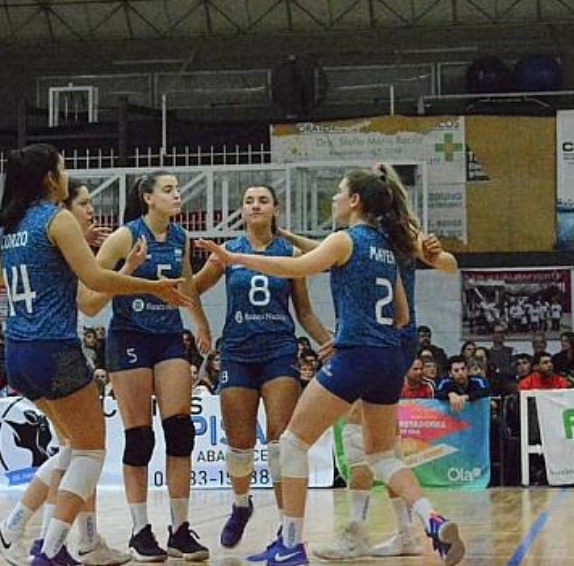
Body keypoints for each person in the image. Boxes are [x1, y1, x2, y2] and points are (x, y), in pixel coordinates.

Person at [197, 168, 465, 566]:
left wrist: (234, 257)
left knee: (292, 443)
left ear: (355, 201)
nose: (335, 199)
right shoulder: (387, 246)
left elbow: (295, 269)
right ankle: (431, 519)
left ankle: (290, 545)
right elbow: (403, 315)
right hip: (389, 356)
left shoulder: (345, 239)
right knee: (383, 456)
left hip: (357, 354)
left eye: (340, 192)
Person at [0, 144, 191, 566]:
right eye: (62, 169)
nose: (66, 175)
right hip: (54, 349)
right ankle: (49, 549)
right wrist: (153, 286)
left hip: (17, 351)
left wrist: (66, 253)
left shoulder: (8, 225)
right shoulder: (55, 218)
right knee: (91, 451)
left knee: (69, 448)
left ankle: (12, 530)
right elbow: (94, 280)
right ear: (49, 178)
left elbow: (6, 276)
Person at [279, 164, 459, 562]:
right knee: (383, 446)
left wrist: (435, 253)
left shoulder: (399, 232)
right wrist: (288, 237)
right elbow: (328, 251)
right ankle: (407, 530)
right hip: (386, 336)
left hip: (383, 338)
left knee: (359, 439)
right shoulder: (374, 235)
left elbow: (448, 265)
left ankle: (356, 531)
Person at [79, 170, 212, 562]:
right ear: (148, 198)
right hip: (129, 338)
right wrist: (128, 269)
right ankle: (140, 531)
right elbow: (91, 288)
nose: (177, 195)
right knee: (139, 438)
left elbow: (186, 286)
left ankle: (180, 530)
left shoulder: (180, 237)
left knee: (181, 432)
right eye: (168, 190)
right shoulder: (125, 237)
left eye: (177, 189)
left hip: (168, 337)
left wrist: (201, 324)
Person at [191, 184, 332, 549]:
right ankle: (241, 505)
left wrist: (327, 342)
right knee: (239, 444)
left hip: (278, 351)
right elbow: (190, 290)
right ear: (242, 210)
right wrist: (201, 326)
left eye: (263, 200)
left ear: (275, 210)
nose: (255, 205)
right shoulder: (228, 252)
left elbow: (304, 312)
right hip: (237, 352)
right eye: (249, 201)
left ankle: (287, 531)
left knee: (280, 443)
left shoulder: (289, 254)